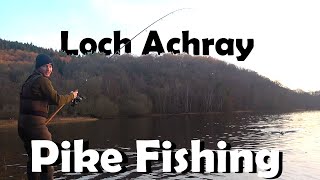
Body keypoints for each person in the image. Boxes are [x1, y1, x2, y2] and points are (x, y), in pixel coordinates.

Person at [18, 54, 78, 180]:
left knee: (34, 160)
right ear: (39, 67)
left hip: (23, 127)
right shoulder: (42, 80)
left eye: (50, 66)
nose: (49, 69)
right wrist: (72, 96)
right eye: (45, 66)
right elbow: (57, 99)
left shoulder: (29, 81)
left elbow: (40, 99)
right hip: (36, 128)